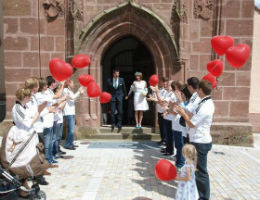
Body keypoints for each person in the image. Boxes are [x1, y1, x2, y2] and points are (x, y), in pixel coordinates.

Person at [0, 88, 50, 196]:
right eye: (30, 97)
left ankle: (27, 181)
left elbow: (31, 118)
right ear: (25, 97)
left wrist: (40, 111)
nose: (31, 98)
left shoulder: (24, 106)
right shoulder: (17, 108)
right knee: (20, 159)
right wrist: (38, 113)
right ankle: (24, 183)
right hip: (20, 136)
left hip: (26, 135)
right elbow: (28, 123)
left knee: (29, 157)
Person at [175, 80, 215, 200]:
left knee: (201, 171)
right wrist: (184, 110)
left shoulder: (207, 106)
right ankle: (196, 193)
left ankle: (204, 197)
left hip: (201, 142)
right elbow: (192, 114)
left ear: (201, 90)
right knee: (195, 169)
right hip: (196, 140)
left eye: (198, 90)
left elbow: (192, 123)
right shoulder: (203, 101)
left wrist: (183, 113)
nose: (197, 92)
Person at [63, 79, 84, 150]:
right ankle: (68, 145)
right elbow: (73, 97)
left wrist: (80, 93)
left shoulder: (70, 91)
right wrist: (79, 91)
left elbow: (73, 99)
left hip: (71, 112)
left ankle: (70, 143)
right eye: (72, 83)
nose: (73, 85)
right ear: (68, 84)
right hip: (68, 113)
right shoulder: (65, 90)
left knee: (71, 129)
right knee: (71, 130)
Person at [147, 77, 168, 144]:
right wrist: (151, 97)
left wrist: (153, 99)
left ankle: (165, 140)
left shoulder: (166, 91)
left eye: (165, 82)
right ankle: (162, 139)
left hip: (165, 111)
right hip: (159, 110)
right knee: (161, 126)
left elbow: (162, 101)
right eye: (163, 82)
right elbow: (156, 99)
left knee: (165, 127)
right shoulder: (160, 90)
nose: (164, 83)